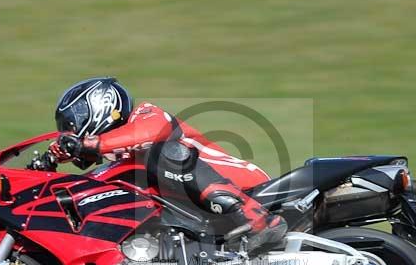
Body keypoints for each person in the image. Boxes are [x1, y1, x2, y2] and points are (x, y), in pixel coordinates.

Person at [49, 77, 287, 253]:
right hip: (203, 216)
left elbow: (152, 133)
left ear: (99, 107)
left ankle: (257, 220)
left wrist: (92, 144)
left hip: (244, 184)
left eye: (71, 127)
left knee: (161, 152)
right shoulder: (122, 159)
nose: (70, 135)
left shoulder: (145, 116)